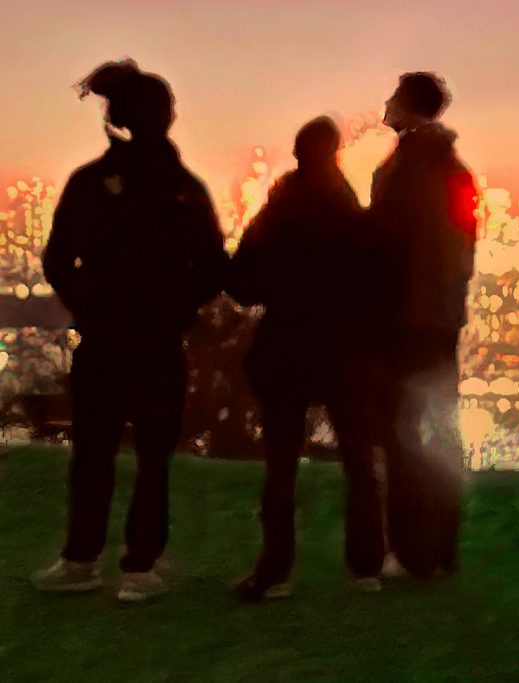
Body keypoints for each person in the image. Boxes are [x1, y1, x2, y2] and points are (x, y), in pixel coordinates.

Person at [34, 58, 229, 603]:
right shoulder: (185, 188)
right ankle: (140, 568)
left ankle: (81, 560)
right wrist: (177, 308)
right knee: (152, 457)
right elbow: (214, 267)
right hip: (159, 343)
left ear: (115, 117)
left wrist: (89, 306)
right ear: (166, 117)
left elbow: (57, 260)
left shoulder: (91, 183)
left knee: (92, 452)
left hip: (102, 341)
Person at [226, 115, 387, 600]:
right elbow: (376, 283)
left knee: (281, 463)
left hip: (287, 346)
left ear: (298, 153)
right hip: (343, 350)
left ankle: (276, 569)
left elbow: (241, 282)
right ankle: (366, 566)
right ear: (334, 153)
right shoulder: (351, 211)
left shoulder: (279, 211)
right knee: (358, 458)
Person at [368, 72, 479, 579]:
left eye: (394, 96)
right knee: (439, 428)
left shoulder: (401, 172)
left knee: (403, 434)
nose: (386, 103)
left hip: (402, 320)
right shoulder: (455, 171)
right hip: (441, 320)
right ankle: (442, 547)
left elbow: (384, 248)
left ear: (410, 107)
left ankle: (410, 550)